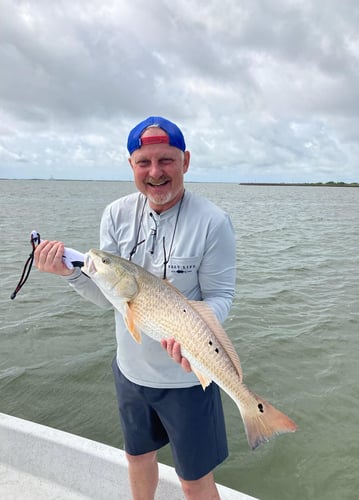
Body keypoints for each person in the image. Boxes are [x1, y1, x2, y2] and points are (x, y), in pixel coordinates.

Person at [34, 116, 236, 500]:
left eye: (166, 161)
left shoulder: (213, 222)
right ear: (131, 165)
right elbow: (112, 297)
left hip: (188, 378)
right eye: (144, 162)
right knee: (138, 459)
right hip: (130, 373)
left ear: (186, 162)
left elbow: (221, 296)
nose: (155, 172)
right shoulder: (115, 214)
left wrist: (193, 335)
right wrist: (70, 275)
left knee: (194, 481)